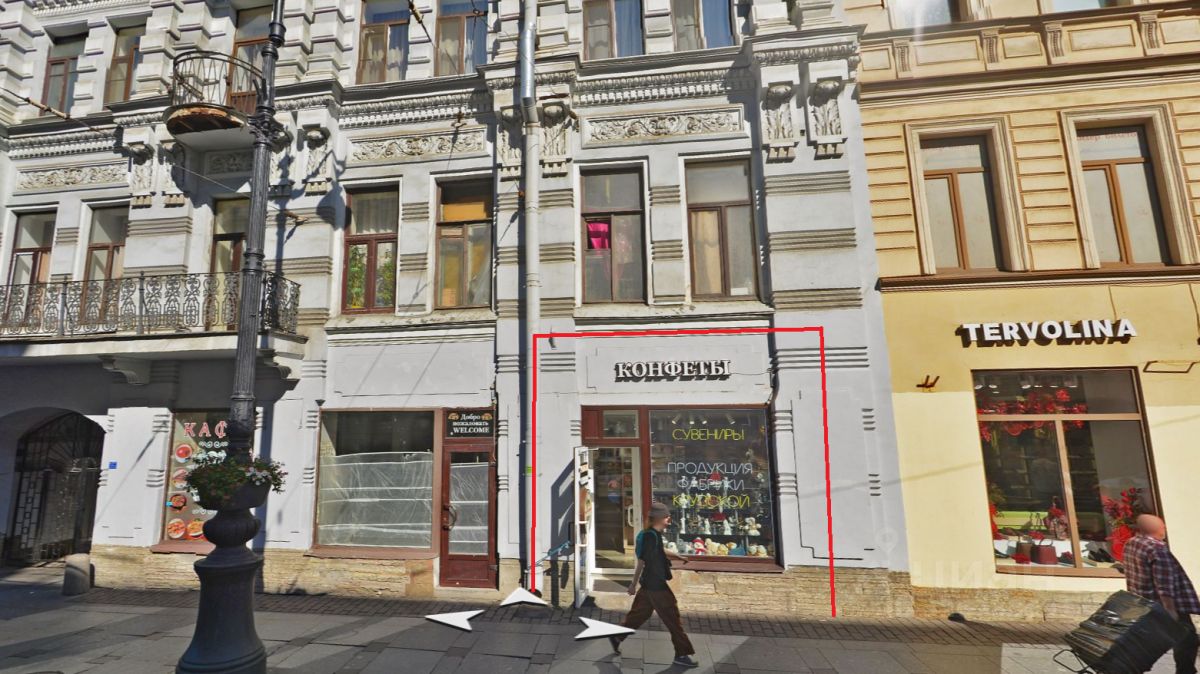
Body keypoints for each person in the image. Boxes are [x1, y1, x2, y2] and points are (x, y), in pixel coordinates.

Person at [609, 501, 698, 668]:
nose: (669, 520)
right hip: (656, 585)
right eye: (666, 517)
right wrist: (632, 584)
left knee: (639, 614)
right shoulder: (650, 536)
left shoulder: (653, 535)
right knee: (673, 618)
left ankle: (616, 637)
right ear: (658, 518)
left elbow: (660, 551)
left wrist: (678, 556)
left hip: (650, 584)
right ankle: (682, 654)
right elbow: (641, 561)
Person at [1122, 514, 1200, 674]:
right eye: (1162, 526)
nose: (1164, 529)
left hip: (1143, 602)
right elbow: (1164, 583)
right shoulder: (1157, 549)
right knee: (1187, 638)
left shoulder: (1131, 543)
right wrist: (1170, 609)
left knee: (1151, 639)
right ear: (1156, 529)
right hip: (1165, 605)